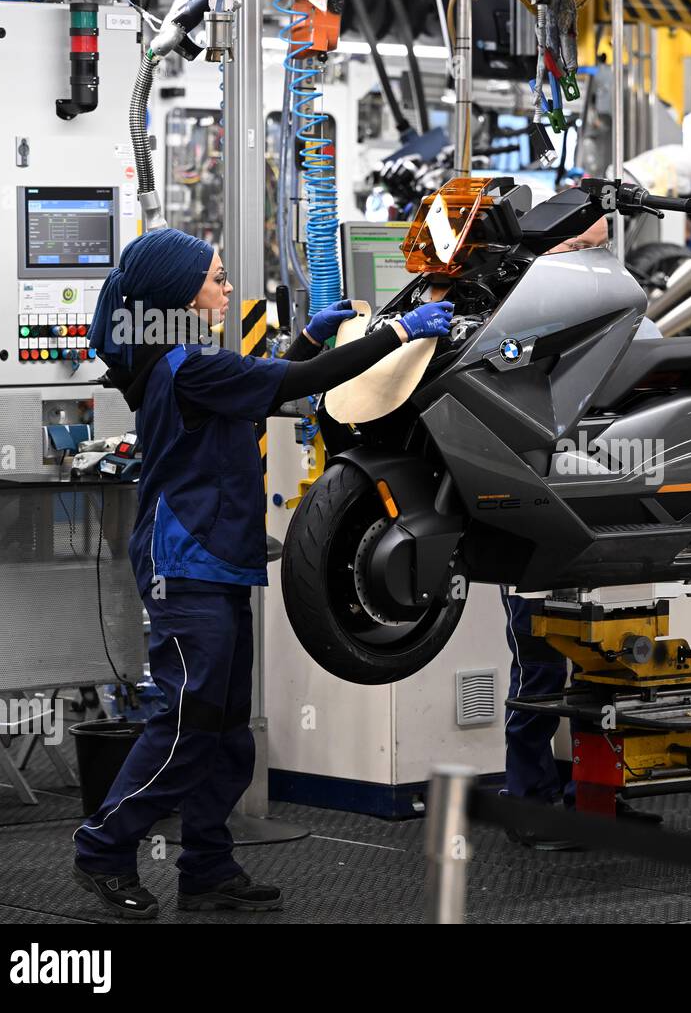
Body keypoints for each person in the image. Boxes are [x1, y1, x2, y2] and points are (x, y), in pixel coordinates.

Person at [72, 228, 453, 918]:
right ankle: (103, 848)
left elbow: (265, 387)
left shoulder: (191, 362)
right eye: (217, 278)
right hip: (184, 566)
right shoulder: (185, 365)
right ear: (180, 293)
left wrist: (308, 337)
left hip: (217, 560)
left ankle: (207, 867)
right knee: (187, 725)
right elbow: (297, 385)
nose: (225, 288)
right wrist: (399, 331)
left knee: (224, 730)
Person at [501, 211, 663, 849]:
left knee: (611, 669)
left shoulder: (631, 313)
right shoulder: (521, 316)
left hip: (609, 514)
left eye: (602, 245)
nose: (594, 257)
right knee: (538, 675)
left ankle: (598, 797)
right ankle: (531, 805)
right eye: (579, 245)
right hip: (538, 520)